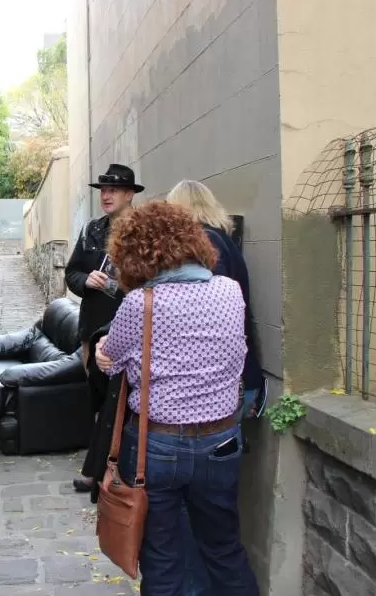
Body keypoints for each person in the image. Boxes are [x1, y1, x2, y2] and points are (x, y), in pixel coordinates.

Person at [96, 201, 259, 595]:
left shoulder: (139, 304)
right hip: (221, 440)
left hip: (157, 444)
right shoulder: (229, 291)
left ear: (133, 254)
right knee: (224, 548)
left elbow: (111, 361)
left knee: (163, 557)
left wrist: (104, 350)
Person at [65, 163, 141, 492]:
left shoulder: (142, 230)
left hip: (127, 323)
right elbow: (71, 275)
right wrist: (86, 280)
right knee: (97, 395)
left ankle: (105, 467)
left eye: (113, 190)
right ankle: (101, 461)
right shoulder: (91, 230)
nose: (106, 196)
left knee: (122, 395)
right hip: (93, 325)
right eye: (102, 190)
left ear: (129, 194)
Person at [166, 180, 265, 416]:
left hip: (222, 380)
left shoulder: (207, 243)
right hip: (233, 373)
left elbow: (208, 309)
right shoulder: (221, 238)